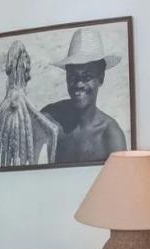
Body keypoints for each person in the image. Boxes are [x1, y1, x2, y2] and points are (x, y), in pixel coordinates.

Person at [41, 28, 127, 163]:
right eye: (73, 76)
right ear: (66, 77)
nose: (79, 84)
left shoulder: (110, 136)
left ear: (101, 78)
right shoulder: (50, 119)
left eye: (87, 77)